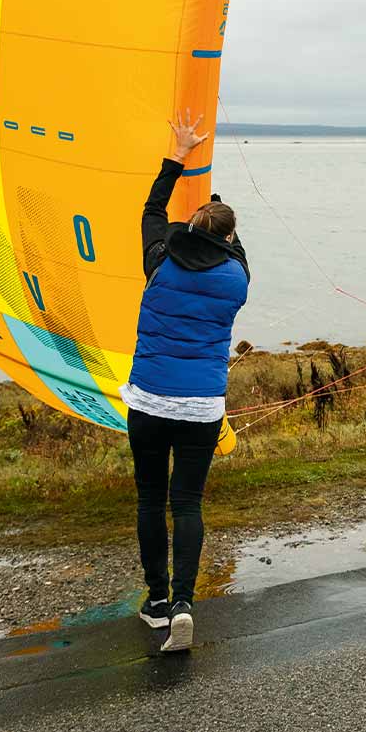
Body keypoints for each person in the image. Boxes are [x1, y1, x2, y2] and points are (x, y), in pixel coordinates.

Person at [124, 110, 250, 652]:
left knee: (151, 499)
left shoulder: (158, 262)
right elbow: (233, 247)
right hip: (202, 407)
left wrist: (178, 156)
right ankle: (183, 603)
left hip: (150, 400)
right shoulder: (237, 278)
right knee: (187, 504)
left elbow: (152, 210)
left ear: (191, 227)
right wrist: (219, 212)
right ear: (229, 238)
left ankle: (155, 603)